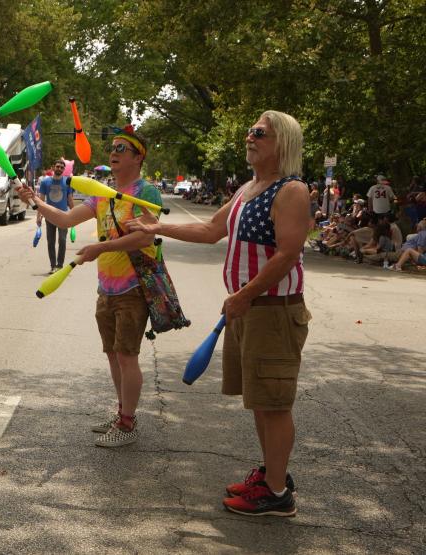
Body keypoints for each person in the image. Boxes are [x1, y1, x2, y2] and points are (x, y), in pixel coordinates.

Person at [129, 110, 310, 517]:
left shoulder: (291, 191)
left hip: (273, 310)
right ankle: (271, 475)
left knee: (275, 402)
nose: (250, 137)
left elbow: (287, 254)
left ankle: (277, 494)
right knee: (260, 400)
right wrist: (156, 229)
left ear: (281, 142)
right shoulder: (249, 188)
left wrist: (244, 294)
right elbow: (211, 230)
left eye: (259, 132)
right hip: (249, 308)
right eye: (249, 130)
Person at [16, 124, 161, 448]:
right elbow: (66, 220)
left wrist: (99, 249)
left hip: (133, 288)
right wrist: (36, 201)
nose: (114, 153)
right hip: (106, 288)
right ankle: (123, 412)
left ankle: (127, 425)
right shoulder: (101, 195)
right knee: (112, 354)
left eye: (122, 149)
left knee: (126, 355)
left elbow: (146, 236)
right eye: (113, 149)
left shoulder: (145, 193)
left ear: (139, 157)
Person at [36, 159, 74, 273]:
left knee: (62, 240)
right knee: (50, 241)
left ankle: (60, 265)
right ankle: (53, 266)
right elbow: (41, 201)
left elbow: (70, 200)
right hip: (49, 216)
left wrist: (75, 215)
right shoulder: (45, 182)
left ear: (64, 170)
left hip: (63, 216)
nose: (59, 169)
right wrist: (39, 215)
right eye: (58, 166)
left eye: (62, 167)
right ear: (53, 167)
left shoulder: (67, 182)